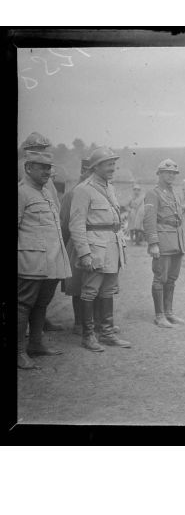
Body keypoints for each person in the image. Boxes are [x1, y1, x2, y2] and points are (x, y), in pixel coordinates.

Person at [69, 146, 131, 352]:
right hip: (95, 247)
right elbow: (76, 225)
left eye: (114, 164)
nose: (113, 168)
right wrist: (84, 252)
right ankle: (89, 336)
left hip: (112, 247)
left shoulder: (109, 187)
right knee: (89, 291)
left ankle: (107, 333)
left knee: (108, 291)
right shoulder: (83, 190)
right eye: (108, 164)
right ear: (96, 166)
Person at [18, 150, 71, 369]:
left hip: (52, 259)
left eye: (49, 167)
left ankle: (36, 344)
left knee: (42, 303)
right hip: (31, 259)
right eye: (42, 167)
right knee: (23, 305)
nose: (48, 172)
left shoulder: (47, 193)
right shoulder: (21, 193)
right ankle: (19, 351)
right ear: (28, 168)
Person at [18, 132, 64, 332]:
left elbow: (53, 204)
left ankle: (38, 336)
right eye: (38, 149)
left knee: (42, 298)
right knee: (26, 299)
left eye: (45, 149)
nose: (42, 153)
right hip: (30, 248)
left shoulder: (45, 178)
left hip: (50, 245)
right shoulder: (25, 170)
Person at [144, 159, 185, 328]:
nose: (171, 176)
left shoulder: (174, 193)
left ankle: (169, 312)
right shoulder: (153, 193)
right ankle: (159, 315)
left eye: (173, 173)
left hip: (176, 240)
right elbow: (149, 220)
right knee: (160, 278)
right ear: (159, 174)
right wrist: (153, 243)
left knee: (171, 279)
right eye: (167, 172)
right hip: (162, 240)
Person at [59, 158, 94, 335]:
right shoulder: (72, 194)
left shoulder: (98, 191)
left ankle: (93, 322)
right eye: (90, 171)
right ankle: (79, 323)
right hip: (76, 242)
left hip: (96, 242)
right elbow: (65, 224)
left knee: (95, 283)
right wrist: (66, 247)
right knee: (78, 285)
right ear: (84, 172)